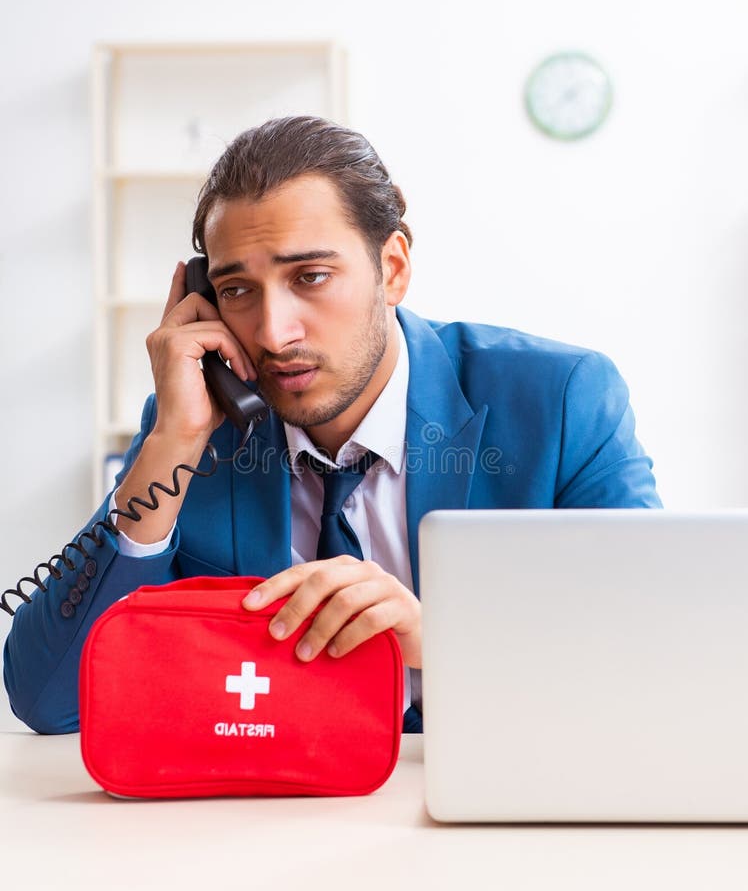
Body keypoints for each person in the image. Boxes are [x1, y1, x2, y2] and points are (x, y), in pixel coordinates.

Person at [3, 116, 661, 735]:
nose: (273, 331)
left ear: (393, 269)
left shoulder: (560, 399)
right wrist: (170, 443)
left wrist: (441, 642)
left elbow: (654, 655)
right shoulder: (196, 429)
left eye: (311, 276)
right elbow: (49, 701)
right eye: (237, 290)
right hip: (273, 817)